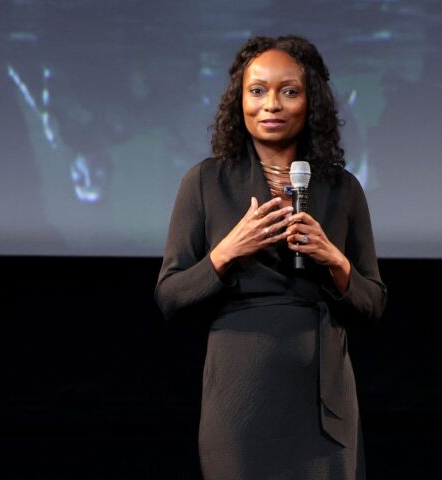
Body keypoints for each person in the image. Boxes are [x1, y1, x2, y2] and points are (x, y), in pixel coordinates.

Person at [155, 35, 387, 480]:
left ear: (310, 102)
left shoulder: (342, 189)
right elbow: (170, 296)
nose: (271, 105)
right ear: (238, 101)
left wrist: (334, 260)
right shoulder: (205, 183)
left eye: (289, 91)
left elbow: (373, 304)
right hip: (240, 401)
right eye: (257, 90)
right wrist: (226, 251)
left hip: (323, 404)